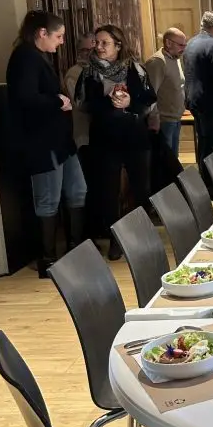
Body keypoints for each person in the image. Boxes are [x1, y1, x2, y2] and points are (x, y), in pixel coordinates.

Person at [6, 10, 87, 277]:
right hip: (43, 144)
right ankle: (48, 261)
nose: (62, 41)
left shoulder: (36, 56)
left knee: (77, 190)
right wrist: (58, 101)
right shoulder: (24, 57)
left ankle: (75, 249)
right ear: (42, 33)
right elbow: (24, 98)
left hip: (60, 142)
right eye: (59, 36)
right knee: (48, 200)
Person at [75, 25, 156, 260]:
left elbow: (150, 98)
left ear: (118, 46)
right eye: (97, 43)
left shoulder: (136, 68)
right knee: (108, 191)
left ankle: (140, 235)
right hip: (105, 138)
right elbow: (83, 104)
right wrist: (108, 102)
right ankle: (115, 239)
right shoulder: (89, 72)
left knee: (140, 187)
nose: (98, 47)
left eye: (104, 43)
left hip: (134, 136)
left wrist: (130, 102)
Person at [182, 11, 213, 173]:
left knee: (202, 140)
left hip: (193, 99)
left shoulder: (190, 43)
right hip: (209, 101)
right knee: (211, 142)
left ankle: (204, 178)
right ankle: (211, 182)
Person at [144, 27, 187, 156]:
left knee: (173, 159)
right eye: (180, 45)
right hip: (163, 121)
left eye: (185, 45)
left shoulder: (175, 59)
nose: (183, 49)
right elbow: (150, 94)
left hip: (175, 118)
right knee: (166, 161)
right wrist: (154, 118)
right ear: (168, 43)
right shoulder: (158, 62)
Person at [64, 31, 96, 165]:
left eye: (92, 49)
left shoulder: (100, 69)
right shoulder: (74, 73)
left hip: (102, 135)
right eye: (85, 50)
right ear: (79, 52)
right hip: (86, 136)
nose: (89, 53)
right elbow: (81, 103)